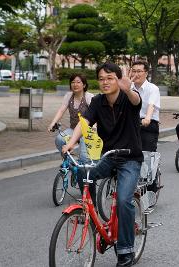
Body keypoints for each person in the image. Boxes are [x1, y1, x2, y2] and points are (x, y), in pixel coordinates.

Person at [62, 62, 142, 267]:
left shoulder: (128, 97)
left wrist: (128, 89)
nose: (105, 82)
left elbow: (136, 100)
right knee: (82, 173)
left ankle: (125, 250)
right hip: (108, 156)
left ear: (118, 79)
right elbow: (84, 122)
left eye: (110, 78)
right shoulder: (97, 101)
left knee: (124, 200)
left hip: (130, 158)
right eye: (101, 78)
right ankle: (94, 217)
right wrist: (70, 143)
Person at [47, 73, 94, 163]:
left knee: (84, 157)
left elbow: (95, 114)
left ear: (84, 85)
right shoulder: (69, 96)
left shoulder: (89, 97)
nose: (75, 84)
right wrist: (53, 123)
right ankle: (70, 162)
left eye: (78, 82)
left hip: (87, 131)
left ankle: (84, 172)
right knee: (59, 139)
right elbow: (61, 110)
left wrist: (95, 127)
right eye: (73, 82)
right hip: (73, 129)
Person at [130, 60, 160, 152]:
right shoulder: (128, 88)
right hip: (131, 124)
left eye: (139, 71)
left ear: (146, 73)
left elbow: (151, 105)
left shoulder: (153, 88)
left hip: (148, 124)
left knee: (147, 154)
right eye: (134, 71)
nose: (136, 74)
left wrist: (147, 118)